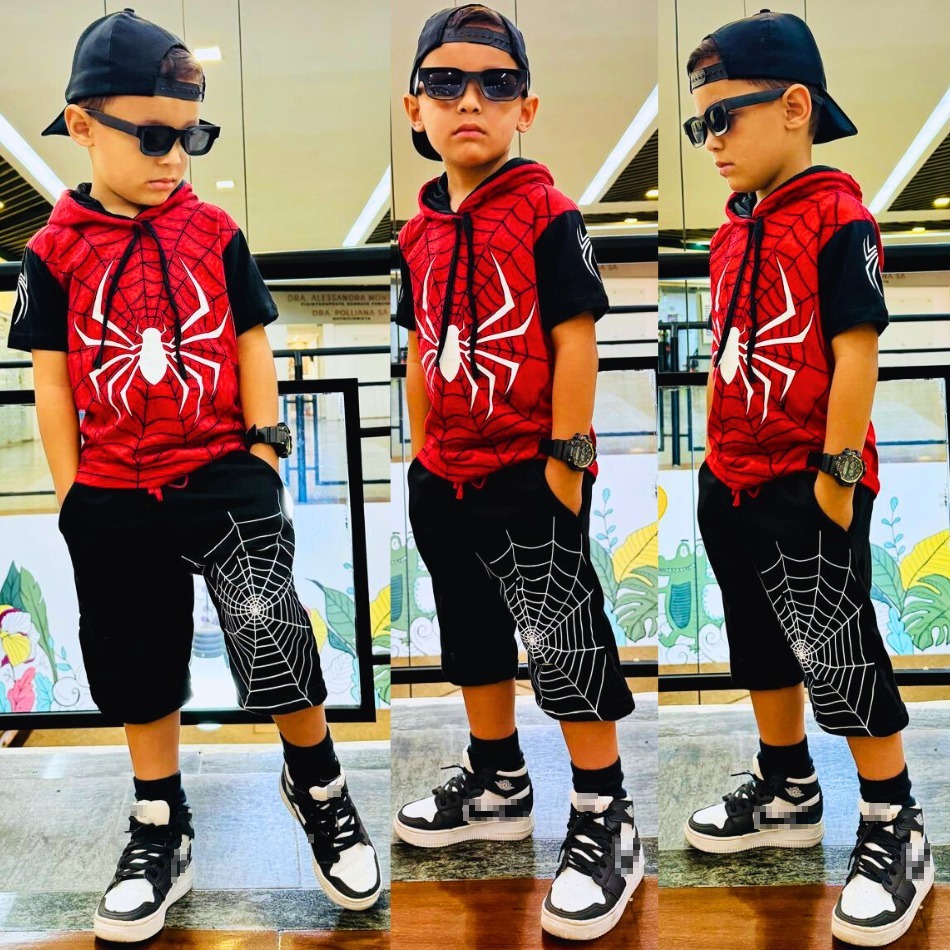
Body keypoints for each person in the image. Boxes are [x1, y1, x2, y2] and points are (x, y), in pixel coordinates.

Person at [7, 9, 380, 941]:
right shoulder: (51, 252)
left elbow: (252, 341)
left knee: (270, 621)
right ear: (83, 124)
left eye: (193, 136)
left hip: (222, 468)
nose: (176, 157)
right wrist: (72, 493)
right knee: (134, 654)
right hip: (111, 487)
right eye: (154, 136)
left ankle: (319, 782)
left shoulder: (215, 230)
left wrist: (264, 448)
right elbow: (51, 379)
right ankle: (158, 821)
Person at [681, 10, 932, 946]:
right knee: (757, 639)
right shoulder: (732, 229)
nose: (711, 141)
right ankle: (787, 786)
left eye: (724, 118)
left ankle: (894, 819)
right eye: (700, 124)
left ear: (795, 107)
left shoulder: (841, 216)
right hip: (733, 477)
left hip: (808, 478)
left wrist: (836, 475)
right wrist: (715, 466)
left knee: (840, 646)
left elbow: (856, 347)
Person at [391, 4, 641, 941]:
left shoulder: (549, 212)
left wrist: (565, 466)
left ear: (526, 108)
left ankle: (605, 808)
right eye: (446, 82)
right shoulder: (413, 234)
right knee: (471, 633)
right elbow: (418, 346)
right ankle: (498, 780)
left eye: (496, 85)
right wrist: (423, 452)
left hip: (532, 469)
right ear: (416, 106)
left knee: (566, 638)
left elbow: (575, 340)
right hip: (446, 473)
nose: (470, 101)